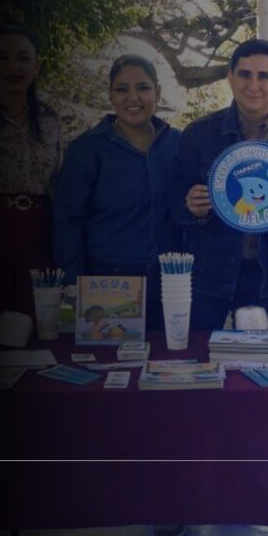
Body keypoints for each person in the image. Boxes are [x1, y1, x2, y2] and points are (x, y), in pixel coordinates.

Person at [171, 38, 268, 329]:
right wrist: (190, 206)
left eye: (264, 76)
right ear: (230, 78)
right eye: (244, 74)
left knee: (259, 365)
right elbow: (175, 208)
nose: (253, 85)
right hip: (210, 275)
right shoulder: (198, 135)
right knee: (203, 359)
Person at [53, 55, 181, 330]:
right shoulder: (87, 150)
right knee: (111, 365)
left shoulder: (179, 145)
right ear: (110, 95)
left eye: (143, 88)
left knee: (166, 363)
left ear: (158, 92)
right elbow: (66, 223)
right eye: (122, 89)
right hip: (107, 284)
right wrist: (75, 287)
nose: (132, 98)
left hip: (170, 281)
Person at [0, 24, 62, 317]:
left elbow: (57, 180)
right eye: (2, 58)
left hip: (40, 228)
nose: (13, 67)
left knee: (36, 317)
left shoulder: (50, 120)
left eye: (23, 58)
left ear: (36, 65)